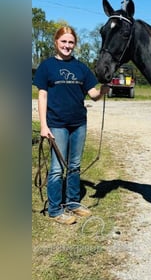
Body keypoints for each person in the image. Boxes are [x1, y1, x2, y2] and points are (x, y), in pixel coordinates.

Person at [33, 26, 109, 225]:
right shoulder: (46, 66)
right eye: (64, 41)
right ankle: (55, 209)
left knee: (74, 166)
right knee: (57, 168)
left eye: (71, 42)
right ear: (56, 42)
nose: (67, 46)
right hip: (56, 124)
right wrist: (43, 125)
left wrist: (103, 91)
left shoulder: (81, 67)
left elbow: (92, 94)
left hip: (78, 124)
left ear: (75, 44)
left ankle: (73, 203)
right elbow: (42, 96)